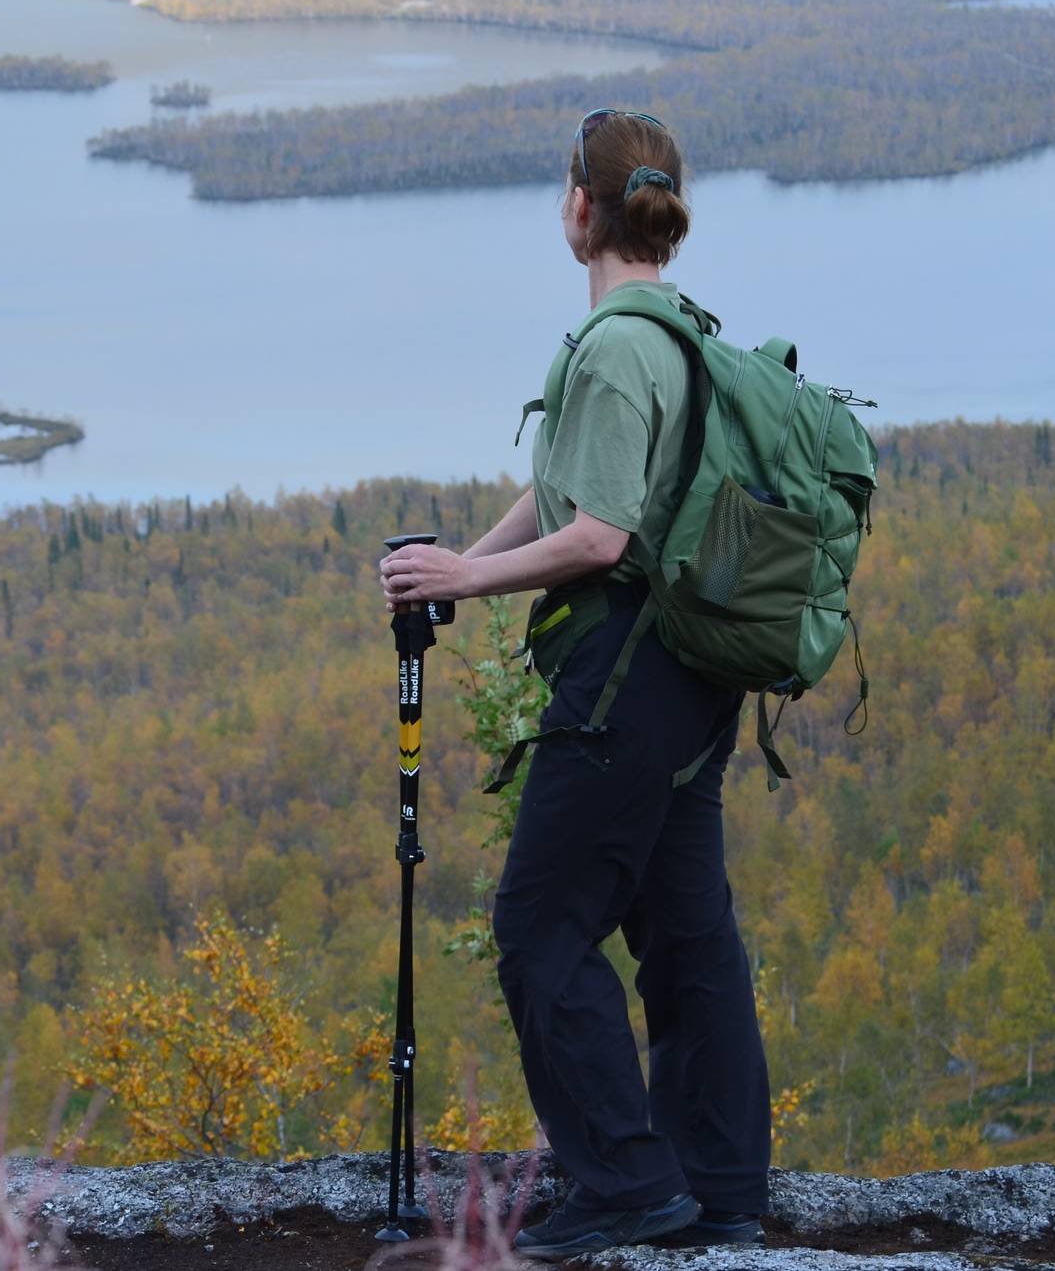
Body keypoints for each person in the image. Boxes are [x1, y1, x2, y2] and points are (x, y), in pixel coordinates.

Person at [376, 110, 770, 1260]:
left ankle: (623, 1184)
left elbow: (596, 536)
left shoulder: (609, 345)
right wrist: (465, 564)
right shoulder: (680, 331)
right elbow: (567, 496)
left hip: (625, 677)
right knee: (685, 933)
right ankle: (719, 1193)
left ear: (580, 209)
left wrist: (469, 576)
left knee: (538, 926)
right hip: (693, 677)